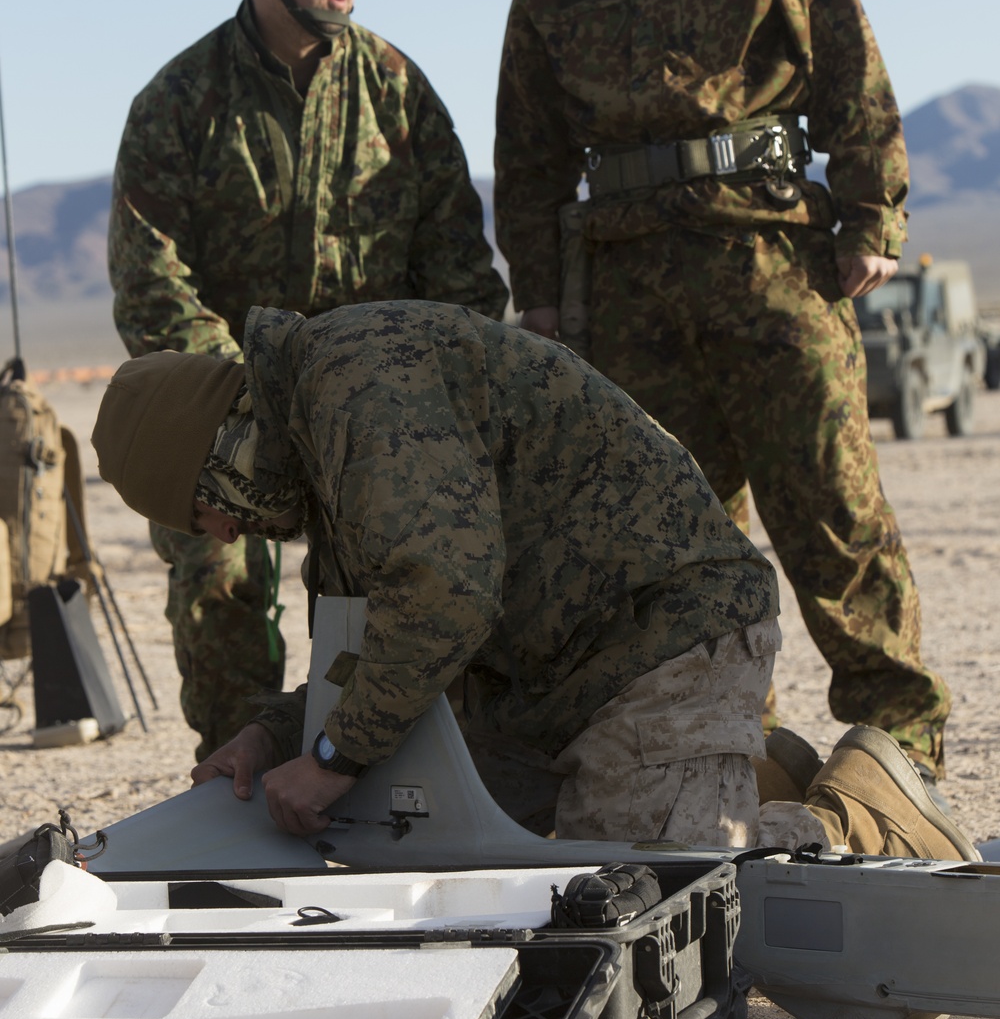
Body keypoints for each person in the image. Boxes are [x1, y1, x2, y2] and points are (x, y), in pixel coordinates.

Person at [493, 0, 951, 797]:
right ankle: (734, 748)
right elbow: (530, 147)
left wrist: (872, 217)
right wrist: (543, 297)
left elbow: (851, 72)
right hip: (627, 282)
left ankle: (898, 749)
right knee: (670, 541)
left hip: (770, 258)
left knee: (832, 513)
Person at [91, 300, 978, 863]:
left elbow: (445, 594)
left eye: (208, 509)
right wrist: (271, 735)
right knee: (434, 848)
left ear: (219, 453)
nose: (225, 532)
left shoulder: (355, 381)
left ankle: (855, 818)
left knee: (637, 889)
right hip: (536, 682)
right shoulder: (324, 462)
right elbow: (366, 656)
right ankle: (728, 771)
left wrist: (329, 760)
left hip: (658, 632)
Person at [109, 0, 507, 759]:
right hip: (233, 402)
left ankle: (367, 768)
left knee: (381, 587)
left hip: (375, 407)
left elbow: (459, 272)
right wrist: (239, 410)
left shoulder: (398, 90)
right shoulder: (179, 104)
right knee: (217, 573)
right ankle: (238, 768)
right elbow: (151, 278)